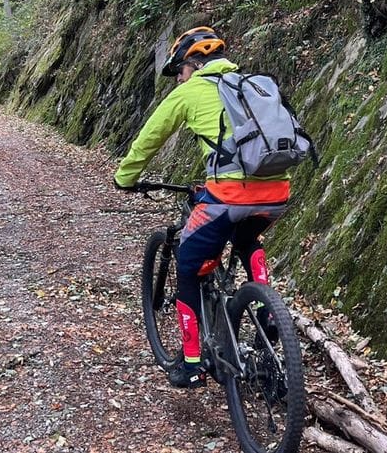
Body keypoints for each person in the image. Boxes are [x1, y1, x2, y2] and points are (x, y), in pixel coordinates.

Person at [113, 26, 289, 388]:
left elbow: (149, 139)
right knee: (246, 237)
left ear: (192, 63)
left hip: (229, 197)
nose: (178, 78)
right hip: (276, 192)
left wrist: (125, 178)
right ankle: (267, 313)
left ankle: (191, 363)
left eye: (178, 70)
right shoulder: (252, 85)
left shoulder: (191, 92)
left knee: (189, 265)